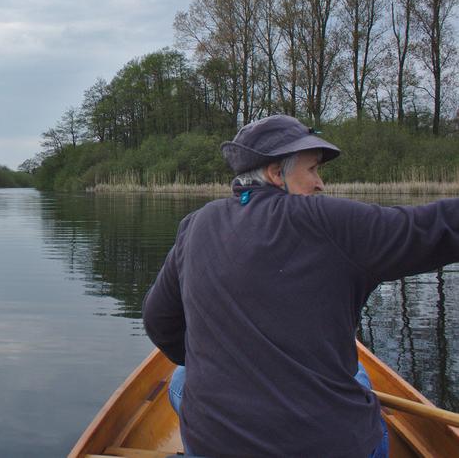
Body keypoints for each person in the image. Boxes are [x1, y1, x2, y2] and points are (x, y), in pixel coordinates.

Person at [142, 114, 459, 458]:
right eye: (312, 170)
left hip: (215, 448)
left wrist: (219, 367)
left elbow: (159, 321)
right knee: (358, 373)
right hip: (329, 447)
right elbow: (434, 229)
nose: (320, 184)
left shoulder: (196, 224)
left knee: (182, 378)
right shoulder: (329, 221)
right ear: (277, 173)